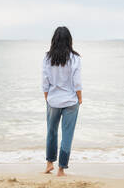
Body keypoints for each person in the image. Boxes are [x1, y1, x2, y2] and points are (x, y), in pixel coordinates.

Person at [42, 26, 82, 176]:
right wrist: (80, 97)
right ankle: (61, 169)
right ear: (69, 40)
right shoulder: (75, 58)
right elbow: (77, 82)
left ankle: (49, 164)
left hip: (53, 100)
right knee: (67, 134)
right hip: (71, 101)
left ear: (54, 40)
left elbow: (44, 82)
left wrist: (47, 97)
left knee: (51, 132)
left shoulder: (47, 58)